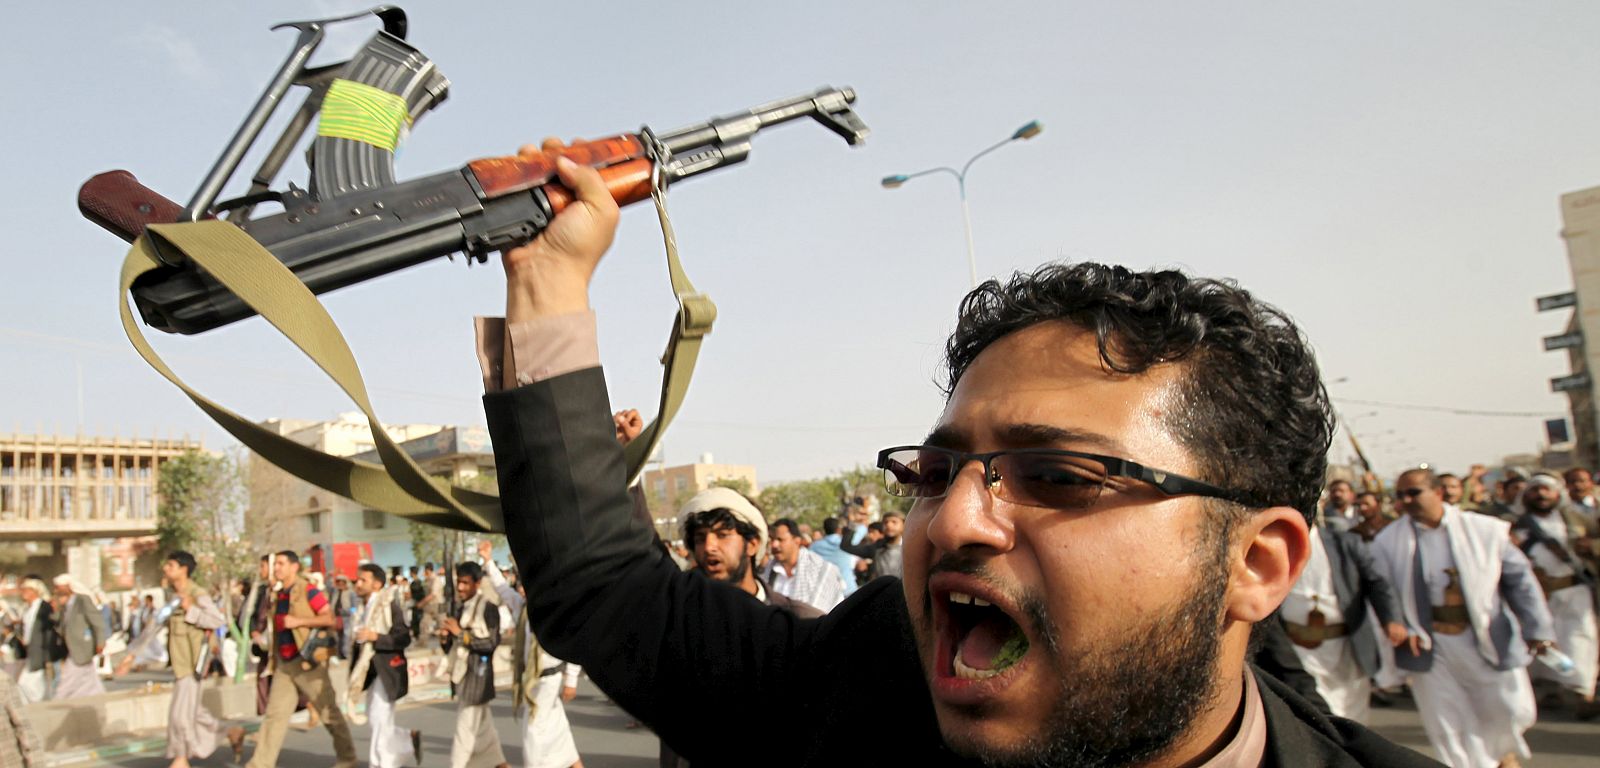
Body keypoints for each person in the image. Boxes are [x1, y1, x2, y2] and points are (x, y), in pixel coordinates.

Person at [476, 152, 1433, 766]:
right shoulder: (863, 689)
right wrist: (552, 284)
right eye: (939, 474)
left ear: (1256, 563)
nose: (956, 521)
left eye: (1057, 475)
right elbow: (605, 586)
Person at [1368, 469, 1554, 768]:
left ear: (1438, 492)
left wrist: (1537, 628)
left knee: (1511, 709)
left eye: (1414, 492)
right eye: (1400, 495)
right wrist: (1397, 622)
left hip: (1485, 636)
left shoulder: (1485, 530)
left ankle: (1501, 754)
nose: (1405, 500)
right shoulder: (1388, 541)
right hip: (1430, 643)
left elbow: (1521, 581)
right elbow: (1382, 589)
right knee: (1447, 720)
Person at [120, 552, 245, 768]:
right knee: (192, 712)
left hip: (193, 663)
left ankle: (181, 758)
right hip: (180, 662)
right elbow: (153, 627)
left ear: (183, 569)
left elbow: (217, 620)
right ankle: (230, 732)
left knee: (179, 715)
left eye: (171, 565)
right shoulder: (173, 597)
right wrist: (130, 657)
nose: (166, 569)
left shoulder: (197, 594)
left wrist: (192, 610)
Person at [1277, 522, 1406, 723]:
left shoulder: (1345, 543)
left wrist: (1391, 619)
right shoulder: (1276, 545)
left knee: (1350, 713)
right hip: (1299, 652)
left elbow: (1376, 582)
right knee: (1311, 712)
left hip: (1345, 647)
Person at [244, 550, 356, 768]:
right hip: (284, 663)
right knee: (274, 716)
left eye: (281, 564)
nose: (277, 568)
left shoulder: (308, 589)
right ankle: (260, 764)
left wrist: (298, 621)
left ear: (294, 567)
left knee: (328, 712)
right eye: (276, 564)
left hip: (307, 661)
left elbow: (329, 618)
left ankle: (348, 758)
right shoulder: (277, 593)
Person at [477, 540, 583, 768]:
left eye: (526, 585)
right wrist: (487, 560)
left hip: (549, 681)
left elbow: (573, 643)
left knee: (533, 735)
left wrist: (571, 680)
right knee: (559, 732)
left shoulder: (555, 610)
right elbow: (502, 589)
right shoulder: (523, 608)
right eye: (521, 585)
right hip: (532, 680)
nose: (522, 589)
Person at [1511, 474, 1600, 717]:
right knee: (1544, 639)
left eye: (1546, 490)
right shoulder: (1515, 526)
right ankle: (1551, 689)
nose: (1541, 495)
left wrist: (1589, 548)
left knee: (1580, 639)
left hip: (1573, 590)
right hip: (1538, 595)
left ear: (1557, 494)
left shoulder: (1578, 520)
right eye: (1535, 490)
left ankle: (1583, 692)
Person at [679, 488, 822, 619]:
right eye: (700, 539)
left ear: (752, 545)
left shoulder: (799, 621)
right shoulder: (681, 620)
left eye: (722, 535)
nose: (709, 547)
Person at [348, 563, 420, 768]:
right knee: (376, 718)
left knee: (380, 719)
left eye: (363, 580)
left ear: (377, 584)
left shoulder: (389, 605)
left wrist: (375, 637)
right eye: (358, 580)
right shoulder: (362, 607)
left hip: (388, 669)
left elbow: (403, 638)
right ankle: (407, 741)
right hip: (370, 671)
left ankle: (380, 763)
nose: (358, 584)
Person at [439, 561, 505, 768]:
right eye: (459, 582)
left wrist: (460, 634)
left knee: (464, 734)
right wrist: (446, 638)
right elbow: (455, 645)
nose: (460, 588)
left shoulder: (488, 607)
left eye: (465, 583)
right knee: (485, 731)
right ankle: (500, 764)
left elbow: (491, 642)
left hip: (478, 677)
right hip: (463, 675)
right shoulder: (461, 607)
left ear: (477, 583)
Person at [760, 518, 846, 612]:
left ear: (797, 541)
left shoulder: (818, 570)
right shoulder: (768, 572)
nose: (774, 545)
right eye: (772, 539)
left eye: (780, 540)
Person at [48, 575, 106, 699]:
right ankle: (98, 697)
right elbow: (59, 625)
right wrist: (56, 608)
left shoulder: (82, 600)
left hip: (82, 646)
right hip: (71, 646)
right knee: (89, 679)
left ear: (68, 586)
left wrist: (100, 641)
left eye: (59, 587)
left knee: (68, 679)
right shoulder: (65, 604)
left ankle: (58, 701)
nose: (57, 590)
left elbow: (97, 622)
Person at [13, 578, 53, 703]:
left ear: (34, 591)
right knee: (26, 683)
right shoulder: (27, 609)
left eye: (26, 590)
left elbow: (48, 629)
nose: (23, 593)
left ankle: (36, 705)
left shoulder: (43, 607)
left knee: (29, 682)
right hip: (29, 650)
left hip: (40, 650)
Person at [806, 518, 859, 597]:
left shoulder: (815, 546)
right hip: (849, 589)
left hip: (827, 593)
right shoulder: (847, 543)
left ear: (824, 530)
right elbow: (861, 530)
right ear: (838, 529)